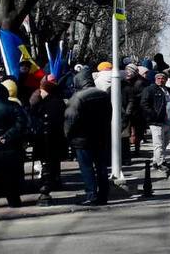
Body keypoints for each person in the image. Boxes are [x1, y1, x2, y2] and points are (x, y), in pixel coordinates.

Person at [65, 69, 112, 206]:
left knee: (87, 168)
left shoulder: (77, 98)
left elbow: (70, 119)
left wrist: (68, 136)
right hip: (100, 136)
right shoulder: (103, 95)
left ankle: (91, 194)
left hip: (82, 138)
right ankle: (103, 194)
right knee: (101, 167)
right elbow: (109, 115)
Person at [29, 77, 67, 200]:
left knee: (49, 161)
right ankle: (52, 180)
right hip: (50, 137)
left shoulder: (52, 102)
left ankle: (48, 182)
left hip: (49, 137)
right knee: (52, 161)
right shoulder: (51, 101)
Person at [141, 71, 170, 174]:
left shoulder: (169, 90)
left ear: (166, 80)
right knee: (158, 144)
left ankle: (156, 160)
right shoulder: (150, 89)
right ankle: (160, 163)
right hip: (157, 122)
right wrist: (153, 115)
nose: (161, 80)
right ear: (155, 79)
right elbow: (144, 104)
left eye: (163, 78)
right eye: (159, 78)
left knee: (165, 144)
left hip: (168, 122)